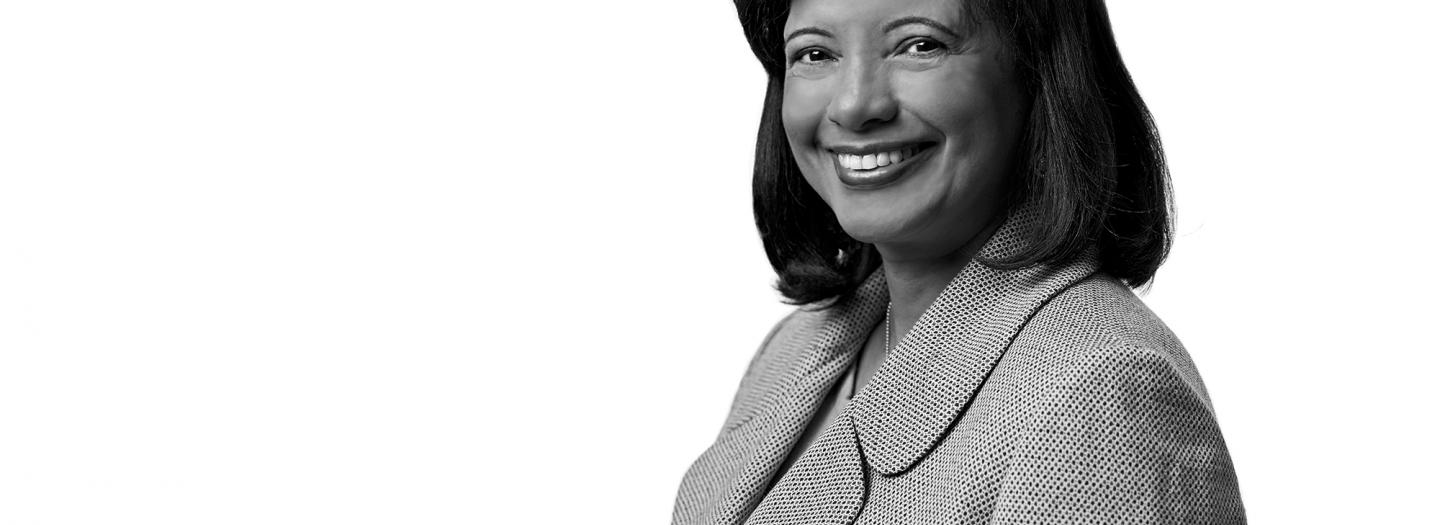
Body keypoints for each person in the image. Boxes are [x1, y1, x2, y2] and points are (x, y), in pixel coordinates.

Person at [671, 0, 1245, 523]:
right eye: (815, 53)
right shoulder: (794, 349)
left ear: (1039, 72)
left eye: (921, 45)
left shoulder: (1101, 386)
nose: (854, 105)